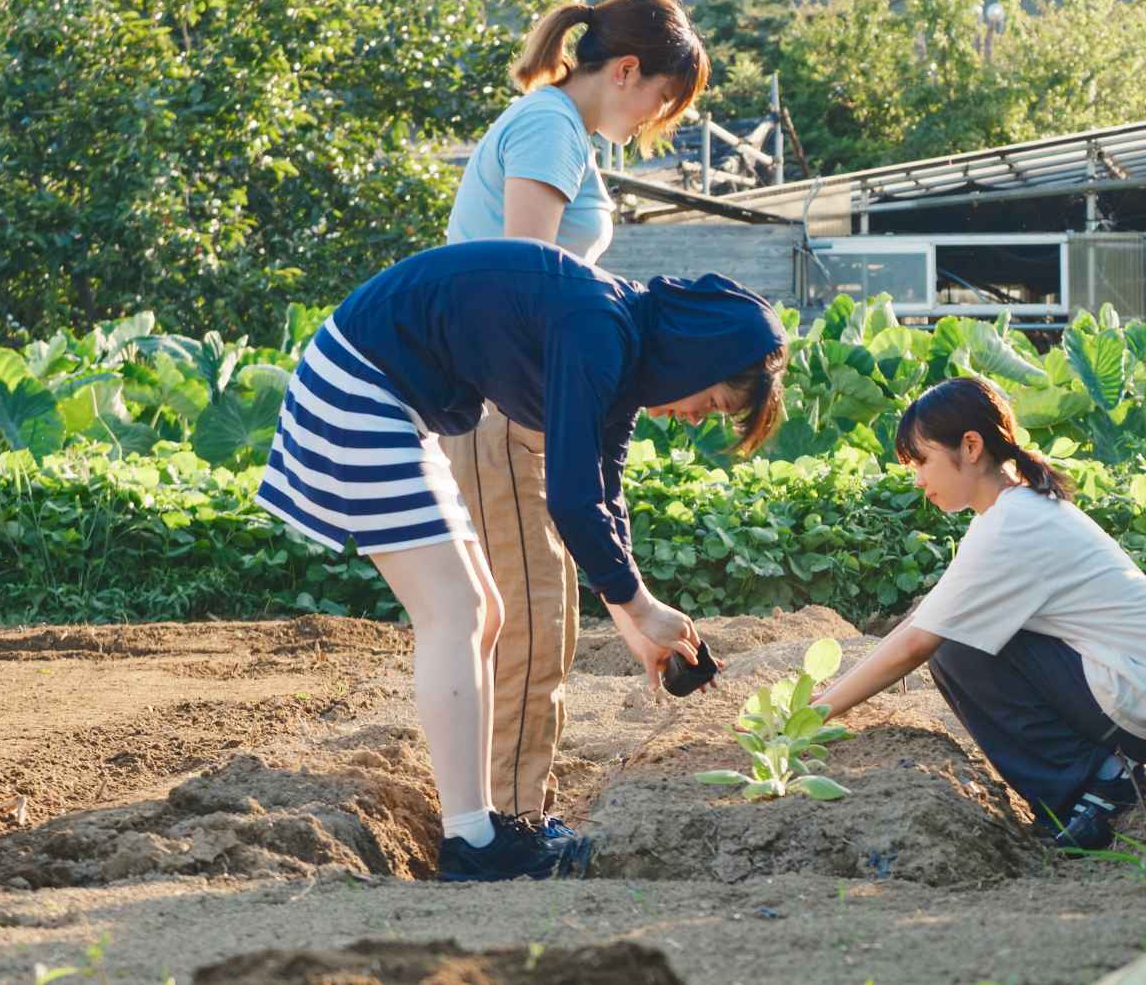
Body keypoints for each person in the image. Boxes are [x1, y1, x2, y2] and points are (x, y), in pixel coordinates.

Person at [253, 238, 786, 881]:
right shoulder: (601, 328)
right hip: (359, 387)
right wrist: (638, 603)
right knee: (455, 612)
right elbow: (569, 494)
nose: (696, 416)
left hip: (393, 401)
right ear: (698, 353)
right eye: (715, 401)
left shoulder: (623, 354)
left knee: (485, 612)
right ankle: (472, 844)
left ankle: (481, 829)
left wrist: (635, 622)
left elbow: (602, 489)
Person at [437, 0, 708, 843]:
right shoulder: (550, 126)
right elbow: (526, 281)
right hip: (497, 399)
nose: (658, 120)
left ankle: (500, 809)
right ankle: (508, 823)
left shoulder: (565, 132)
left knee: (528, 609)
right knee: (528, 614)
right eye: (663, 100)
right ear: (626, 71)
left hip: (514, 396)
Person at [812, 378, 1146, 850]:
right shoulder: (1017, 511)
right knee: (955, 634)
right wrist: (821, 702)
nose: (918, 480)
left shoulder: (1010, 525)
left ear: (971, 445)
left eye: (922, 462)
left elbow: (918, 643)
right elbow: (921, 623)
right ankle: (1100, 777)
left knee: (955, 649)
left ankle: (1098, 784)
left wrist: (812, 714)